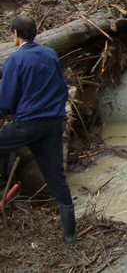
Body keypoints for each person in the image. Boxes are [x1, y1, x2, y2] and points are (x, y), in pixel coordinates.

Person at [0, 15, 76, 243]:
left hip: (28, 124)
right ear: (36, 33)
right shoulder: (50, 54)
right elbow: (62, 87)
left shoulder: (15, 60)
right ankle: (71, 235)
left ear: (15, 34)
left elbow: (5, 103)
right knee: (56, 176)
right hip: (54, 122)